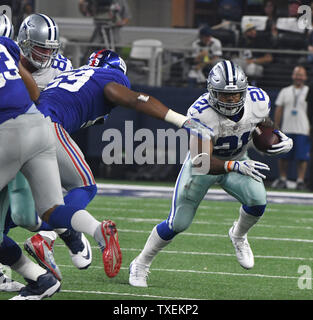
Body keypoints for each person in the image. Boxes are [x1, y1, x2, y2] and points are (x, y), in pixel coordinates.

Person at [129, 60, 293, 288]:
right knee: (178, 223)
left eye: (236, 95)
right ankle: (140, 263)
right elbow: (201, 161)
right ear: (212, 93)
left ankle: (238, 234)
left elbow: (262, 123)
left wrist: (277, 135)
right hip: (204, 165)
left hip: (238, 158)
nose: (231, 100)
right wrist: (233, 166)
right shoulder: (201, 113)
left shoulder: (258, 100)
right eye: (224, 95)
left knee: (258, 202)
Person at [0, 13, 94, 289]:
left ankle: (63, 235)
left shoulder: (61, 67)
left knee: (25, 217)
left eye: (49, 49)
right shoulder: (11, 56)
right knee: (11, 213)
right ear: (24, 42)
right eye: (40, 47)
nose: (45, 54)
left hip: (33, 138)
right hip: (15, 137)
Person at [272, 65, 310, 190]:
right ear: (292, 76)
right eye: (296, 74)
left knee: (302, 157)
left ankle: (300, 180)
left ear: (305, 77)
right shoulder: (285, 91)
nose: (298, 77)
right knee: (284, 156)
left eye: (301, 74)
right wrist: (276, 127)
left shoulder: (309, 91)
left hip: (303, 129)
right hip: (286, 128)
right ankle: (283, 178)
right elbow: (279, 109)